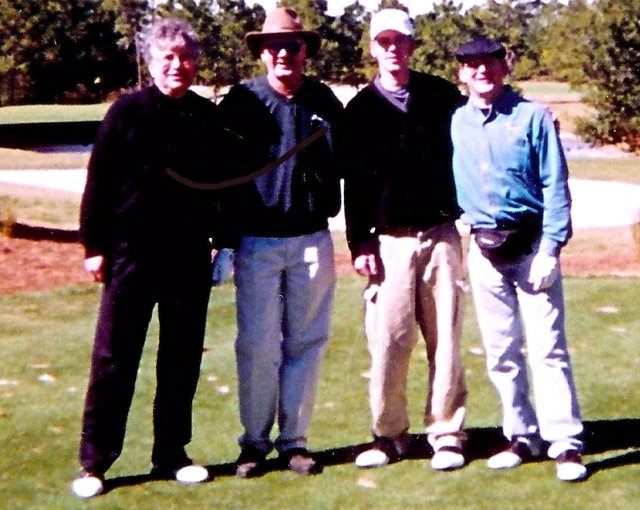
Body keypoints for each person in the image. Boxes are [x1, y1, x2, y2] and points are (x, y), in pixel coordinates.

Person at [72, 17, 241, 498]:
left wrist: (222, 242)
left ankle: (171, 453)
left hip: (187, 256)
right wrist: (93, 246)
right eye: (168, 58)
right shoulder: (125, 113)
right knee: (113, 359)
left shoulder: (205, 117)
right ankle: (95, 462)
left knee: (180, 358)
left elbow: (223, 188)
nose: (178, 66)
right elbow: (98, 184)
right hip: (130, 255)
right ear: (152, 63)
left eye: (186, 58)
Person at [450, 37, 587, 482]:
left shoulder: (532, 117)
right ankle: (520, 435)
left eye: (489, 64)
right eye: (472, 66)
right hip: (484, 248)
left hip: (531, 248)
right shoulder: (456, 122)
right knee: (501, 351)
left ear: (503, 68)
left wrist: (552, 247)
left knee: (548, 349)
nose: (481, 72)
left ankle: (564, 443)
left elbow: (555, 184)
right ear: (461, 74)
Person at [218, 7, 342, 478]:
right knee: (256, 345)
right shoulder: (242, 102)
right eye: (275, 47)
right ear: (262, 53)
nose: (284, 54)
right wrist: (224, 242)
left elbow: (359, 156)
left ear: (305, 50)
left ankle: (295, 441)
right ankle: (253, 442)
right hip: (257, 242)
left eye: (293, 45)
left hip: (312, 239)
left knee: (306, 342)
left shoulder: (324, 101)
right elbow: (222, 175)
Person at [342, 9, 467, 471]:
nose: (393, 48)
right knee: (389, 340)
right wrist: (359, 245)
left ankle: (447, 431)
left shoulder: (440, 95)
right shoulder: (360, 109)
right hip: (388, 242)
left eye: (401, 41)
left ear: (413, 46)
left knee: (446, 339)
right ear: (373, 47)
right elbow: (354, 185)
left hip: (440, 235)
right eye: (384, 41)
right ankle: (388, 432)